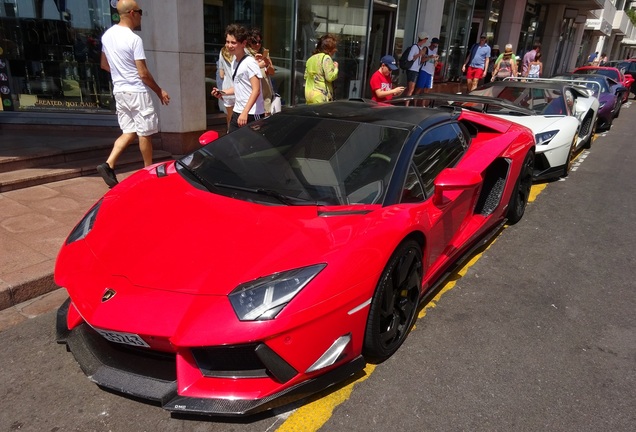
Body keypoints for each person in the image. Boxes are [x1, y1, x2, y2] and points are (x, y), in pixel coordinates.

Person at [97, 0, 170, 188]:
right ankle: (149, 171)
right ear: (132, 13)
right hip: (136, 91)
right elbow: (143, 73)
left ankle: (108, 164)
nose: (141, 15)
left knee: (129, 131)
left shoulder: (107, 35)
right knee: (145, 133)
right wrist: (159, 91)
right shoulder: (133, 39)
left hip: (120, 91)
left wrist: (120, 73)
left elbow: (104, 65)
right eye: (140, 11)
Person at [211, 24, 265, 132]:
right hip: (237, 111)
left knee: (252, 147)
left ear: (243, 44)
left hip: (252, 114)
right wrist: (222, 92)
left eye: (233, 42)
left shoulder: (250, 62)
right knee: (232, 145)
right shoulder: (234, 63)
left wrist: (245, 112)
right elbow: (238, 87)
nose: (229, 45)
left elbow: (256, 90)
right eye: (227, 42)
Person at [247, 28, 276, 116]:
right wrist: (258, 65)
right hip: (252, 94)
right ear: (249, 42)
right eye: (254, 42)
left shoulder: (264, 52)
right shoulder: (246, 54)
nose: (257, 45)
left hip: (265, 92)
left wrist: (267, 63)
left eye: (259, 42)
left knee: (266, 121)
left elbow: (272, 72)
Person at [304, 34, 338, 104]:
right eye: (334, 47)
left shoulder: (310, 59)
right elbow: (330, 77)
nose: (336, 50)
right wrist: (336, 68)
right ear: (330, 48)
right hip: (320, 94)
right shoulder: (326, 58)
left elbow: (306, 76)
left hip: (308, 93)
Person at [403, 32, 429, 105]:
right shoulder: (415, 47)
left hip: (416, 70)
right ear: (423, 39)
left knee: (411, 89)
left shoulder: (419, 48)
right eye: (426, 39)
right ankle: (406, 105)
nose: (426, 41)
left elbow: (419, 61)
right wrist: (419, 54)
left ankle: (407, 104)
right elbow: (410, 58)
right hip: (412, 70)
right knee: (411, 89)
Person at [414, 37, 439, 106]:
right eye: (434, 45)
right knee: (419, 88)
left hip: (430, 72)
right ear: (431, 43)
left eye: (436, 46)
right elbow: (421, 60)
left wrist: (436, 60)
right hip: (424, 70)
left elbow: (435, 65)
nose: (434, 47)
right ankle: (415, 104)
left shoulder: (435, 52)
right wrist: (429, 57)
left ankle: (423, 105)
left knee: (427, 90)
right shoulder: (426, 49)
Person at [217, 46, 235, 133]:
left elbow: (221, 75)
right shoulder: (239, 52)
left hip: (227, 89)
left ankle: (229, 134)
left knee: (230, 117)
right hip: (238, 88)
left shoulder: (222, 52)